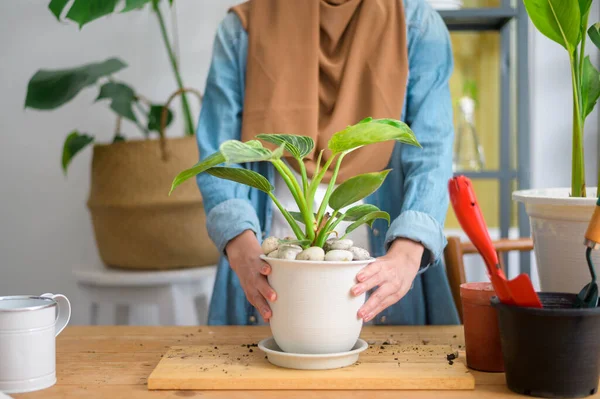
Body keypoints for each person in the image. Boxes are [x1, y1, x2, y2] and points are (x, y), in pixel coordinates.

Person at [196, 0, 459, 326]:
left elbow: (431, 151)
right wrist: (242, 250)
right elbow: (219, 154)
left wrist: (406, 253)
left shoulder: (417, 26)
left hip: (383, 278)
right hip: (268, 269)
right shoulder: (243, 29)